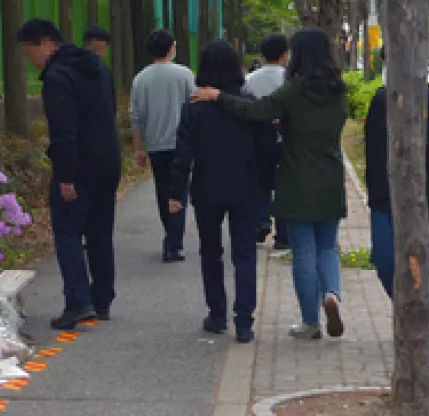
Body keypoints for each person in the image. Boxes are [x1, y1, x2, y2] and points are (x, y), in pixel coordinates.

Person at [192, 28, 349, 341]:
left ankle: (310, 322)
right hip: (331, 174)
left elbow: (254, 111)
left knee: (304, 249)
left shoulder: (294, 90)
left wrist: (218, 96)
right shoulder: (339, 90)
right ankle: (332, 292)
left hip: (296, 176)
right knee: (328, 246)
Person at [168, 41, 278, 344]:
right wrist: (265, 184)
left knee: (211, 251)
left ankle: (217, 313)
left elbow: (183, 152)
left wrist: (176, 191)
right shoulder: (248, 101)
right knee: (244, 254)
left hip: (207, 188)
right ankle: (244, 321)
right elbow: (267, 147)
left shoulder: (195, 106)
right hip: (246, 188)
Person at [17, 18, 122, 330]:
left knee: (67, 232)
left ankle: (78, 301)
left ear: (46, 42)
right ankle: (102, 299)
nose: (30, 60)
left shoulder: (58, 77)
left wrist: (65, 176)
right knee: (100, 232)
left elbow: (64, 131)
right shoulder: (98, 67)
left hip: (80, 165)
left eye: (29, 51)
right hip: (109, 160)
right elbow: (110, 110)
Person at [362, 81, 429, 299]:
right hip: (384, 199)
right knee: (384, 262)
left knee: (421, 267)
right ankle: (404, 308)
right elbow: (372, 150)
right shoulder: (382, 102)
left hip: (423, 201)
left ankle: (419, 317)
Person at [130, 29, 196, 262]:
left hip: (156, 144)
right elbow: (195, 106)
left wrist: (139, 148)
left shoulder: (140, 79)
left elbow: (136, 117)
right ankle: (174, 242)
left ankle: (170, 234)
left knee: (162, 191)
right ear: (172, 48)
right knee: (180, 190)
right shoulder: (185, 75)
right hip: (183, 143)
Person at [244, 33, 291, 251]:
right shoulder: (289, 78)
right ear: (285, 54)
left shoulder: (250, 79)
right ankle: (283, 235)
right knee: (283, 184)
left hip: (257, 139)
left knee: (260, 183)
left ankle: (261, 222)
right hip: (285, 138)